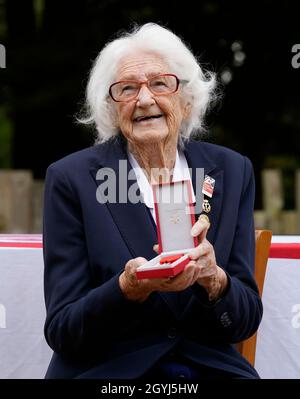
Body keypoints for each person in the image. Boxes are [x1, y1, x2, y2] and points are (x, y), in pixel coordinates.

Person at [43, 23, 262, 379]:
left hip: (207, 370)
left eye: (160, 84)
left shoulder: (231, 171)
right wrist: (127, 289)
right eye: (127, 89)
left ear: (187, 101)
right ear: (111, 109)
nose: (144, 100)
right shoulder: (72, 179)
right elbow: (64, 329)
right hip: (109, 372)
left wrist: (215, 280)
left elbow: (244, 320)